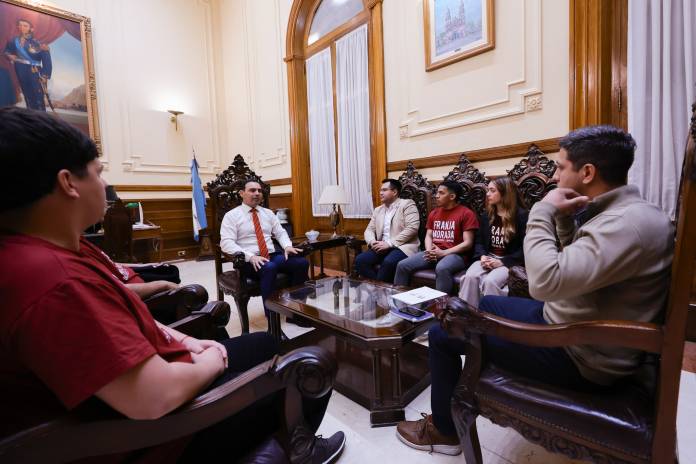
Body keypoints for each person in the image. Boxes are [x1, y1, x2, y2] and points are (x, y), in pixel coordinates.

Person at [0, 107, 345, 463]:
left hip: (160, 369)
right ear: (68, 183)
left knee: (266, 342)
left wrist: (188, 341)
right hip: (160, 435)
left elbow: (126, 318)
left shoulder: (60, 249)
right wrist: (214, 358)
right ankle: (301, 450)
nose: (105, 186)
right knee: (310, 363)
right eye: (99, 173)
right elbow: (154, 398)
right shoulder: (54, 282)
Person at [395, 125, 674, 456]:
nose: (554, 177)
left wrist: (543, 210)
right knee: (486, 303)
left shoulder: (626, 224)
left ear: (587, 172)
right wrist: (565, 222)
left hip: (579, 355)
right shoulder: (623, 214)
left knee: (442, 333)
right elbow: (572, 267)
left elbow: (544, 285)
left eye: (560, 167)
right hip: (570, 321)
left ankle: (444, 432)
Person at [219, 180, 310, 325]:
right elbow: (226, 243)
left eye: (259, 191)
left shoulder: (268, 213)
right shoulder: (231, 216)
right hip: (248, 260)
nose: (257, 193)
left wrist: (287, 246)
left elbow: (280, 232)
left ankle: (294, 314)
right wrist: (250, 256)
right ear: (242, 193)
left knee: (301, 263)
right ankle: (273, 322)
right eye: (252, 190)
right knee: (269, 268)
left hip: (271, 255)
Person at [393, 181, 478, 294]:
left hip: (456, 255)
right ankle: (399, 300)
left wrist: (443, 253)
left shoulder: (466, 213)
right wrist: (429, 250)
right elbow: (429, 235)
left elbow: (468, 243)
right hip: (433, 252)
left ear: (452, 196)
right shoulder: (434, 213)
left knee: (442, 268)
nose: (436, 196)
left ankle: (441, 304)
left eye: (441, 193)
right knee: (402, 265)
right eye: (437, 192)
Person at [458, 177, 529, 307]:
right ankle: (466, 313)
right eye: (488, 190)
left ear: (505, 193)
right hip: (488, 258)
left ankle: (491, 316)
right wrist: (482, 256)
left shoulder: (522, 216)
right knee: (469, 277)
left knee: (490, 281)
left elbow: (526, 248)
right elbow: (479, 241)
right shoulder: (487, 215)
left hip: (509, 262)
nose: (487, 194)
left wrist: (502, 262)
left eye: (492, 190)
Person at [354, 178, 420, 283]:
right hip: (381, 246)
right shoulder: (378, 210)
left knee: (388, 262)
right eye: (381, 190)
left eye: (384, 190)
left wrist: (389, 244)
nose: (381, 193)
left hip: (402, 246)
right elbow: (369, 230)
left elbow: (412, 228)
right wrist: (372, 242)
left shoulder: (407, 204)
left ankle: (379, 290)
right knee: (360, 260)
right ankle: (379, 289)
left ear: (394, 192)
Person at [3, 19, 52, 111]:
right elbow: (7, 51)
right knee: (27, 94)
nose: (22, 27)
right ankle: (31, 115)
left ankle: (41, 116)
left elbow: (47, 60)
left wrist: (45, 75)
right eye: (20, 25)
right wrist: (9, 56)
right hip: (20, 70)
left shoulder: (38, 43)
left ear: (31, 29)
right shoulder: (14, 40)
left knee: (38, 95)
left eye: (25, 26)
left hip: (35, 71)